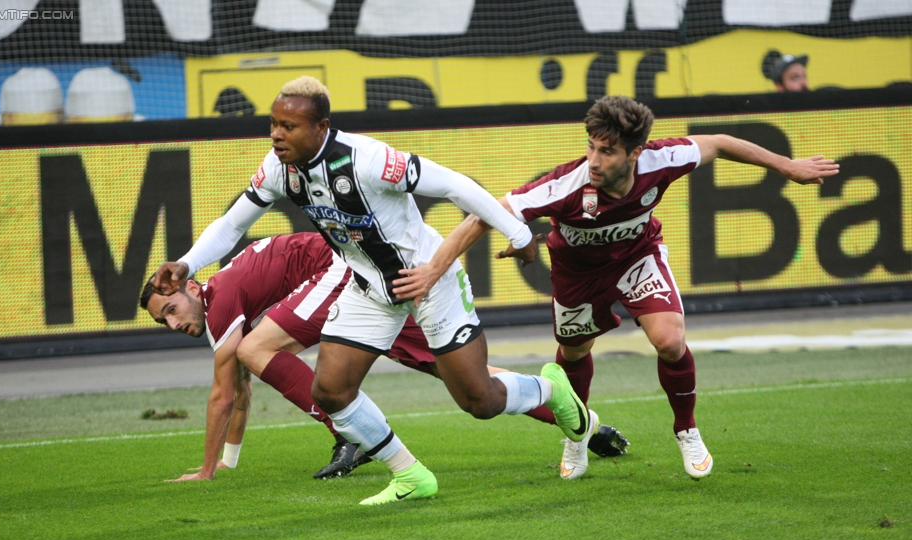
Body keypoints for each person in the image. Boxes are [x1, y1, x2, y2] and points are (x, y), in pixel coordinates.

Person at [152, 76, 595, 505]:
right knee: (329, 391)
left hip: (429, 282)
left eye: (288, 126)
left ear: (321, 127)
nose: (276, 134)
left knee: (478, 400)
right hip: (367, 286)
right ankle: (410, 475)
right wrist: (188, 262)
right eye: (273, 124)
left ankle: (551, 390)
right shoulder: (277, 169)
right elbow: (232, 224)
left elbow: (455, 185)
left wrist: (518, 236)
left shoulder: (368, 159)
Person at [395, 95, 839, 480]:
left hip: (636, 257)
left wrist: (788, 166)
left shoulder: (662, 160)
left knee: (669, 341)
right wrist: (436, 269)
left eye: (606, 151)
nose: (594, 160)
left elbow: (720, 143)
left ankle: (686, 429)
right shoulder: (566, 185)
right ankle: (577, 433)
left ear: (635, 153)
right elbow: (485, 212)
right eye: (590, 146)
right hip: (577, 275)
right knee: (573, 354)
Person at [141, 232, 628, 483]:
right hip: (364, 285)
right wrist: (228, 460)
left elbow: (224, 394)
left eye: (171, 309)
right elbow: (241, 392)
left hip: (342, 275)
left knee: (253, 349)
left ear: (189, 286)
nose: (173, 322)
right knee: (463, 377)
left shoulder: (220, 298)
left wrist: (206, 471)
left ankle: (349, 436)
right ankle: (580, 419)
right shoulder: (221, 300)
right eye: (163, 320)